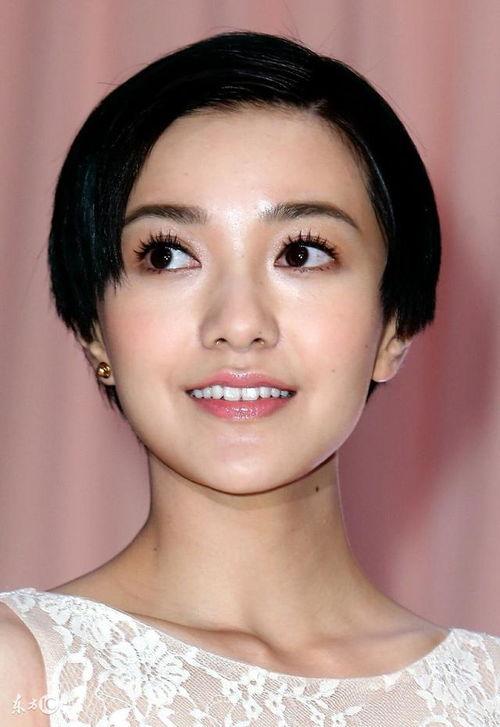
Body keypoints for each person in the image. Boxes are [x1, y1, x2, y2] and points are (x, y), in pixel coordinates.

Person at [0, 29, 498, 727]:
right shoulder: (23, 672)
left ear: (395, 326)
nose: (238, 324)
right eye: (167, 255)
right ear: (93, 328)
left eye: (302, 253)